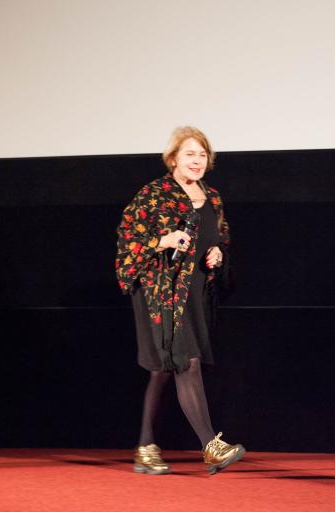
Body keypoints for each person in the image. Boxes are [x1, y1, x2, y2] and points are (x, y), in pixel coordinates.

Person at [115, 126, 244, 476]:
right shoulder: (154, 195)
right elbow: (128, 243)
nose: (197, 161)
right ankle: (211, 446)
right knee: (186, 361)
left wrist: (217, 253)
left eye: (202, 155)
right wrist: (164, 240)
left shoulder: (212, 197)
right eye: (190, 154)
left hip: (193, 295)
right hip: (160, 294)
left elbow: (220, 239)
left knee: (161, 370)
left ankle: (145, 447)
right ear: (173, 158)